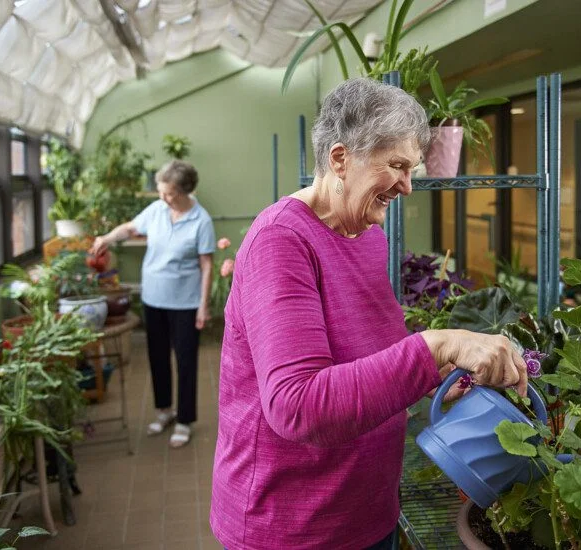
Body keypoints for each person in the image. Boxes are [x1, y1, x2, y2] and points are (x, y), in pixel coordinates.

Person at [210, 78, 528, 549]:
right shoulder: (281, 241)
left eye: (413, 168)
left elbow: (368, 360)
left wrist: (441, 372)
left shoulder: (366, 235)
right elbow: (298, 406)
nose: (408, 186)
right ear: (340, 158)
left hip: (368, 509)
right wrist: (437, 344)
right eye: (397, 166)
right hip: (294, 526)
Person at [90, 160, 215, 448]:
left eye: (169, 193)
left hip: (185, 302)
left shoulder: (201, 220)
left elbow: (206, 265)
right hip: (153, 298)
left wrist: (203, 305)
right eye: (161, 191)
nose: (163, 198)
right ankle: (164, 411)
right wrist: (107, 238)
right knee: (157, 357)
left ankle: (184, 420)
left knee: (185, 361)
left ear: (185, 191)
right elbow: (129, 228)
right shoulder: (157, 210)